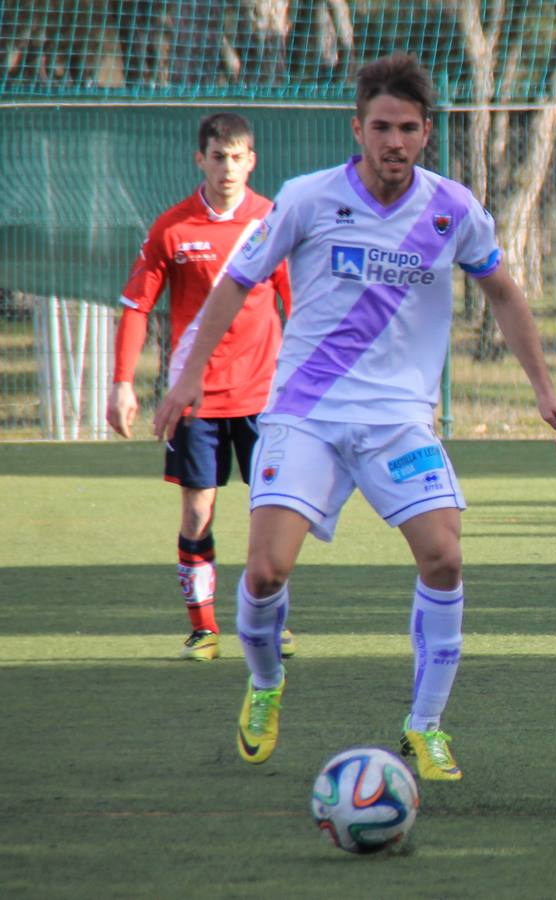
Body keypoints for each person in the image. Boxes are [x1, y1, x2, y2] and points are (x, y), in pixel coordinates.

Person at [152, 53, 556, 781]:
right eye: (380, 127)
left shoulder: (452, 209)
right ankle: (264, 685)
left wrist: (543, 388)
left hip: (399, 423)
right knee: (263, 570)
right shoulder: (307, 198)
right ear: (358, 128)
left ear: (425, 133)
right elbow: (236, 283)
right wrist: (188, 376)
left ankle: (426, 726)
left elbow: (504, 294)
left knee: (444, 556)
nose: (394, 141)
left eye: (407, 129)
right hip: (305, 416)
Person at [107, 112, 295, 662]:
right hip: (197, 400)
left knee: (275, 518)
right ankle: (204, 628)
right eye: (218, 157)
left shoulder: (272, 220)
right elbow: (136, 306)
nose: (228, 168)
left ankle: (273, 624)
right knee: (197, 512)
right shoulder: (173, 228)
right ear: (201, 160)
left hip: (265, 396)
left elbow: (298, 300)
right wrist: (123, 382)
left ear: (252, 161)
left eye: (238, 157)